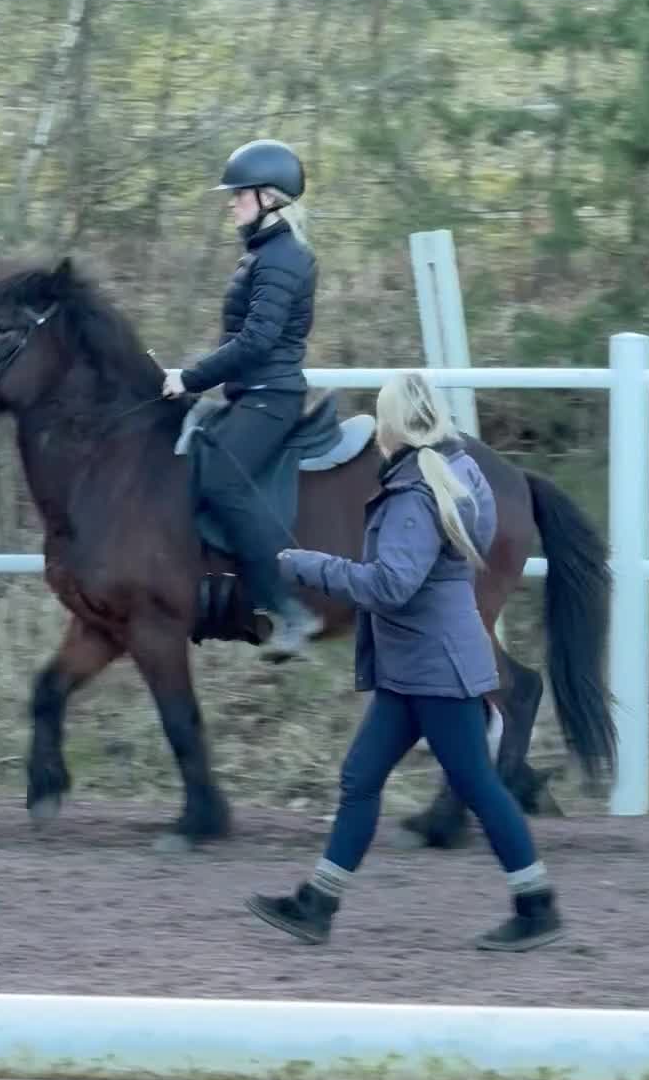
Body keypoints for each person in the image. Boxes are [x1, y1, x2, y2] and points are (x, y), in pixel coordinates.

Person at [246, 371, 563, 951]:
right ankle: (317, 903)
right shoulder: (457, 473)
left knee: (478, 785)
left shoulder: (416, 493)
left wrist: (304, 564)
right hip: (415, 667)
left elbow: (391, 584)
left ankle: (537, 904)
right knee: (361, 777)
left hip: (434, 671)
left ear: (392, 425)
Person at [162, 138, 323, 662]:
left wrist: (192, 378)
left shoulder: (282, 259)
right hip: (248, 392)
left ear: (270, 198)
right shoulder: (263, 255)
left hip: (269, 398)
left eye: (239, 195)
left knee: (223, 481)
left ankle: (288, 609)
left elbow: (255, 342)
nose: (230, 203)